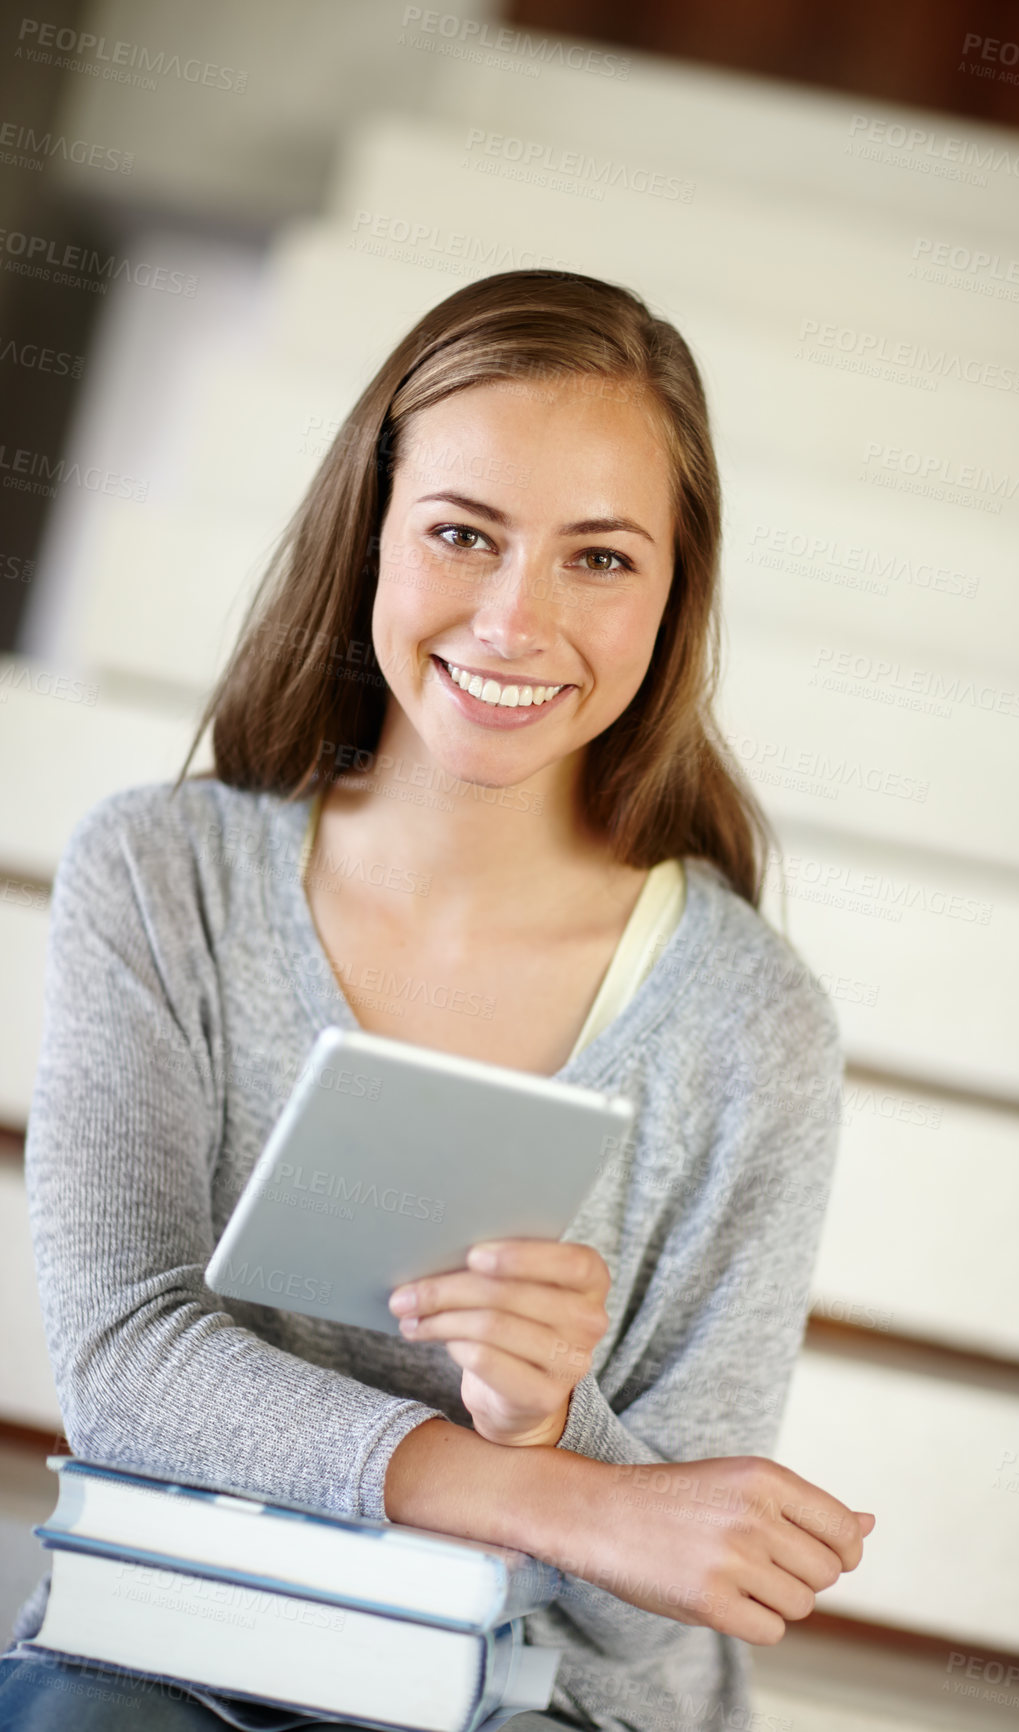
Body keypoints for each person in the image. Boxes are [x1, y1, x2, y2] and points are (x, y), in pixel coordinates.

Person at [0, 270, 874, 1732]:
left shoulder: (748, 1025)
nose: (514, 620)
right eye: (463, 534)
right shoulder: (163, 878)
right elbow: (127, 1368)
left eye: (599, 559)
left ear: (673, 595)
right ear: (372, 540)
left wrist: (552, 1413)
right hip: (172, 1651)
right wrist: (552, 1489)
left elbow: (660, 1598)